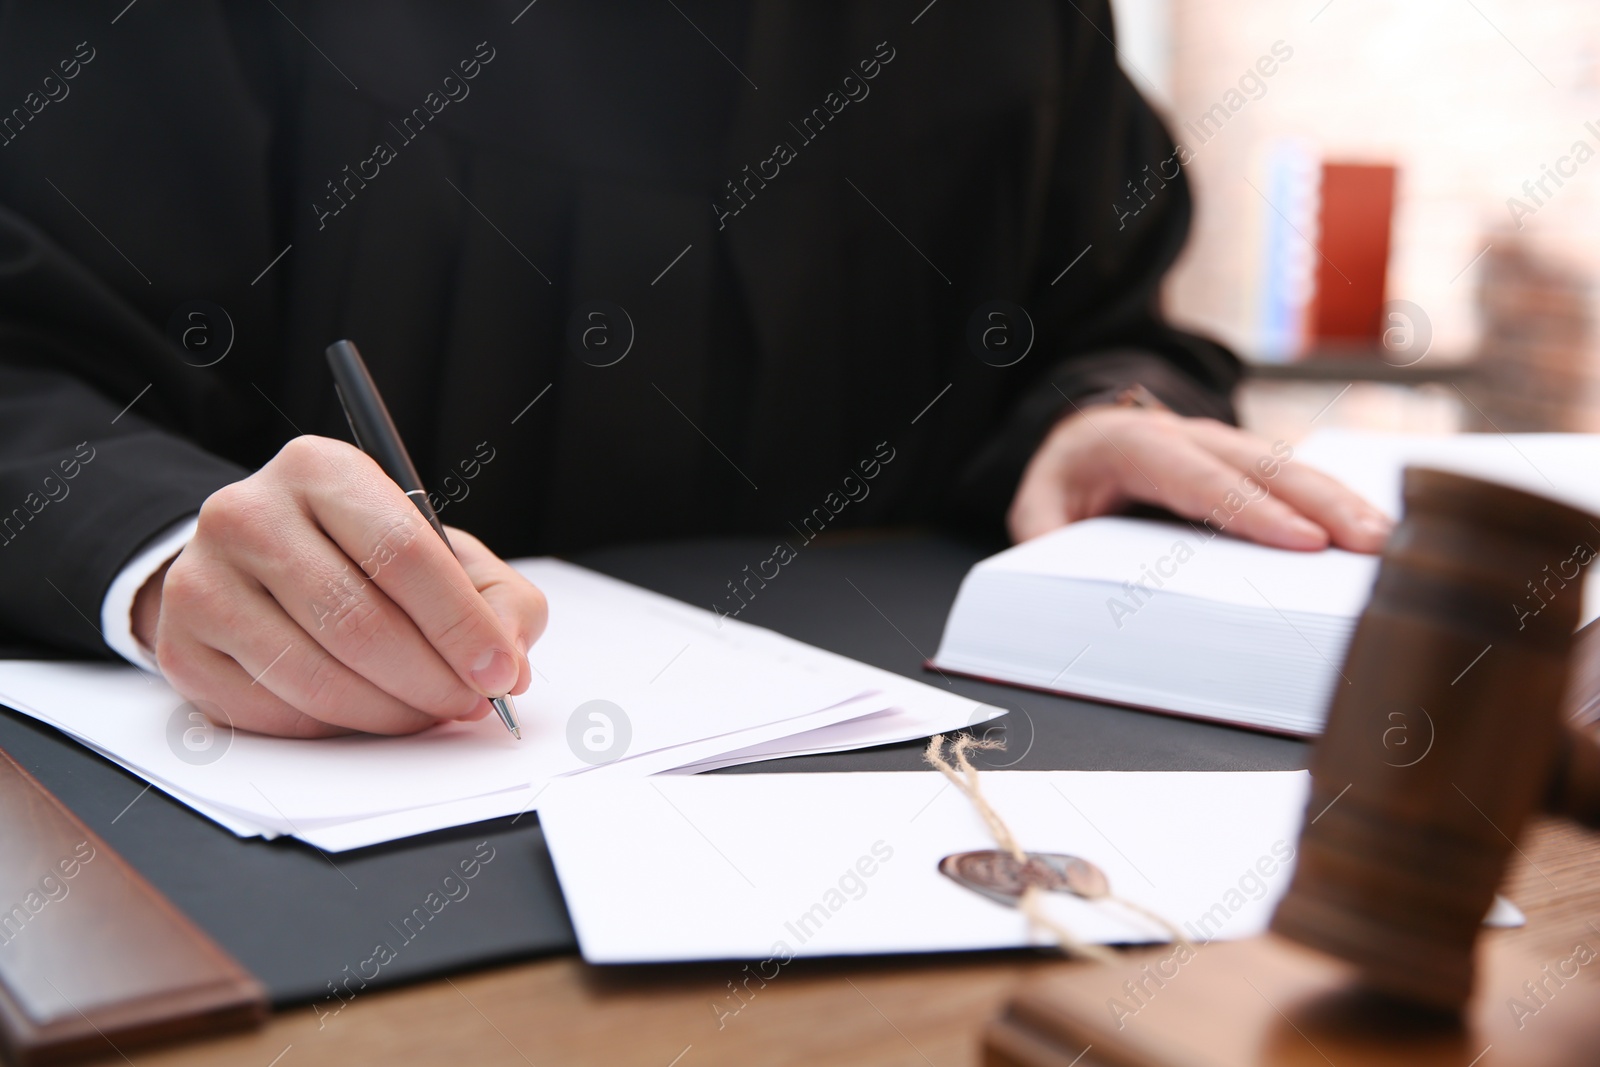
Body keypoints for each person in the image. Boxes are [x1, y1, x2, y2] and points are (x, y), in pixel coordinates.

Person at [0, 2, 1389, 738]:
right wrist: (167, 547)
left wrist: (1084, 417)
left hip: (908, 824)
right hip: (325, 865)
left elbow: (1105, 313)